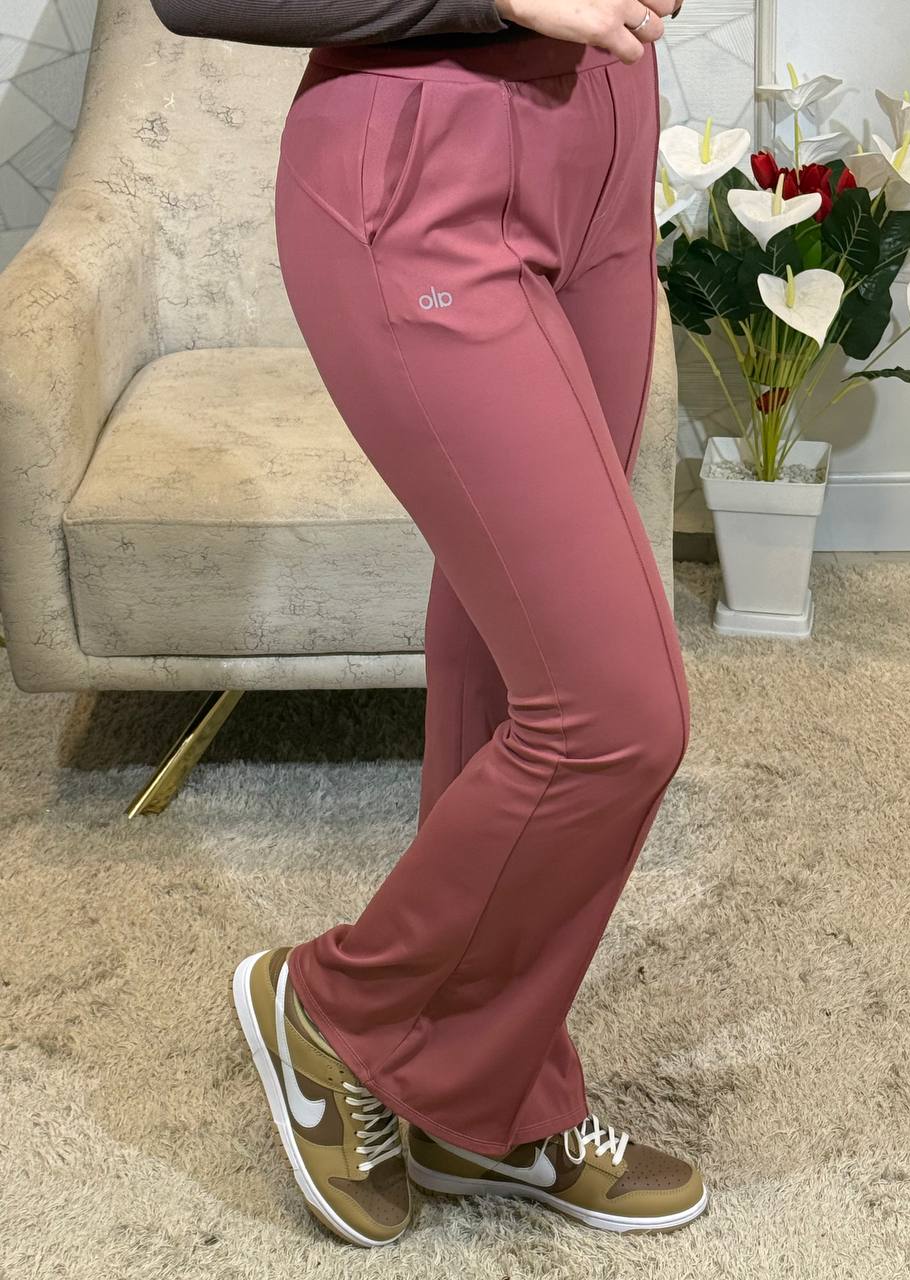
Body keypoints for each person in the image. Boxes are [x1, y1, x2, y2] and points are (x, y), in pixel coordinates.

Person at [151, 0, 704, 1249]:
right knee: (620, 714)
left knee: (516, 670)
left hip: (606, 142)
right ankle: (338, 1005)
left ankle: (484, 1098)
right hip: (423, 157)